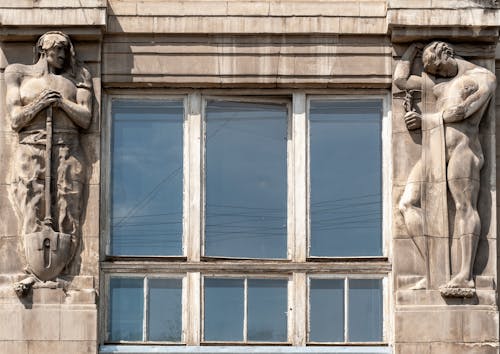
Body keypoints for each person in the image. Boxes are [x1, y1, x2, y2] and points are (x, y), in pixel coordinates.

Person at [395, 41, 496, 291]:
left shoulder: (483, 77)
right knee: (407, 203)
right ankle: (434, 271)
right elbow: (401, 81)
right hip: (435, 149)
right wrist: (410, 51)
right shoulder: (439, 85)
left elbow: (461, 111)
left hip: (464, 149)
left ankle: (465, 275)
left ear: (448, 54)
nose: (435, 75)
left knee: (464, 207)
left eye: (439, 69)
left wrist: (424, 120)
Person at [5, 31, 92, 256]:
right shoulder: (18, 73)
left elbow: (85, 118)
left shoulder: (80, 76)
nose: (63, 54)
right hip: (31, 148)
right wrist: (39, 104)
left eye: (65, 50)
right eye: (58, 49)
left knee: (67, 208)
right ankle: (34, 263)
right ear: (44, 49)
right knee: (31, 205)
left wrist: (62, 103)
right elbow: (15, 119)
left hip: (68, 149)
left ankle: (62, 259)